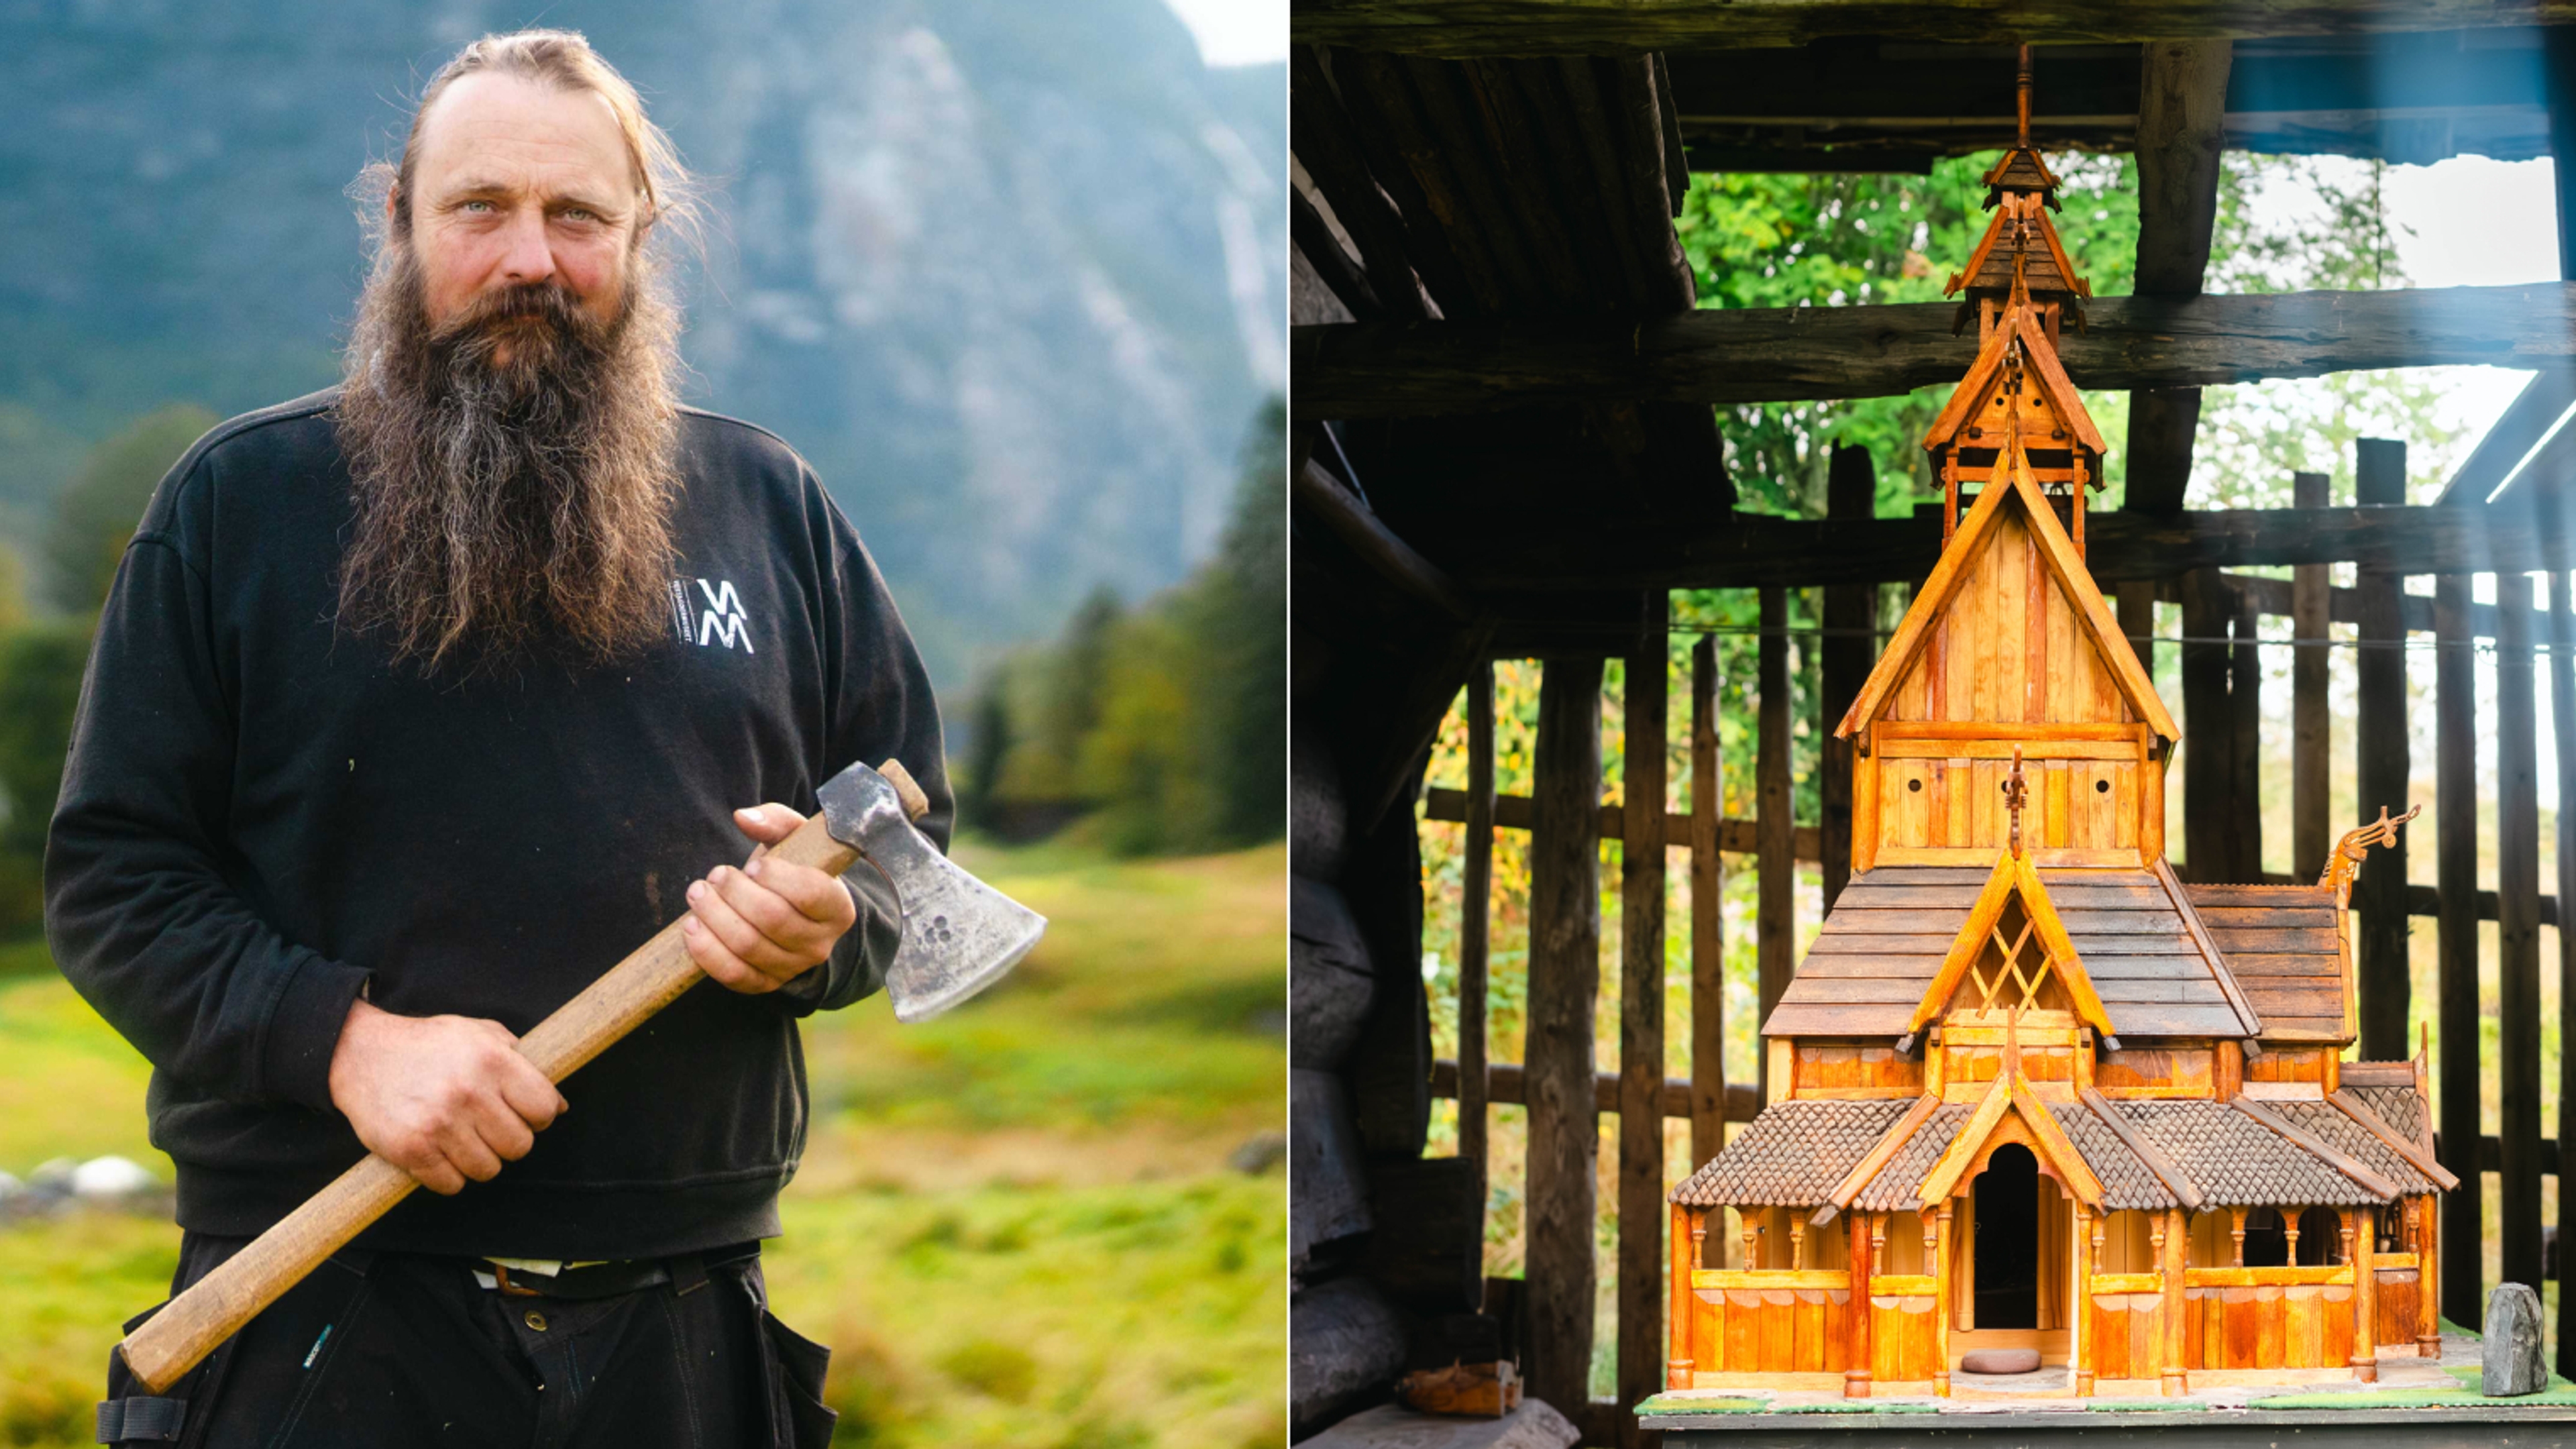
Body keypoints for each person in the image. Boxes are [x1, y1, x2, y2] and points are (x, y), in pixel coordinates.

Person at [47, 29, 945, 1448]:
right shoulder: (241, 506)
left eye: (577, 215)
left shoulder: (773, 512)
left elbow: (909, 850)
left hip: (690, 1326)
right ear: (399, 223)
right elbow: (112, 879)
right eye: (481, 209)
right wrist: (341, 1042)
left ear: (640, 238)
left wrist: (827, 931)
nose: (532, 257)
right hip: (317, 1301)